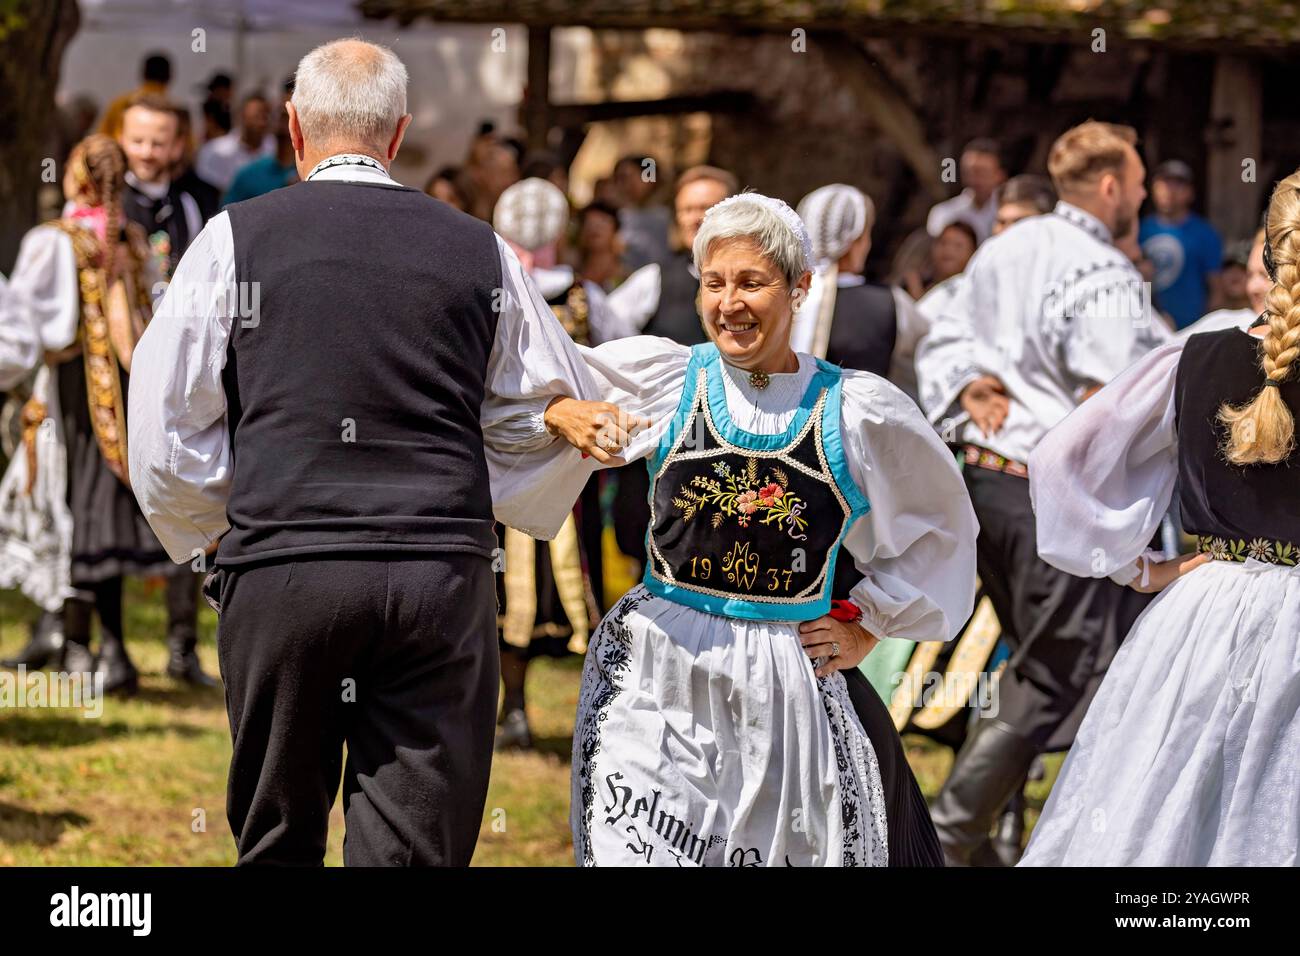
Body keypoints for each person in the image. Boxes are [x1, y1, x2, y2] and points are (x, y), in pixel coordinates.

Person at [127, 39, 597, 867]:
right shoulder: (480, 248)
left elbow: (165, 425)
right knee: (413, 850)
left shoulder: (235, 239)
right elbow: (540, 403)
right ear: (399, 133)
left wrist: (228, 530)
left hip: (286, 571)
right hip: (437, 579)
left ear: (296, 129)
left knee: (277, 840)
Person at [531, 192, 977, 865]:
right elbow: (532, 387)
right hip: (661, 663)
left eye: (751, 282)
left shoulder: (853, 411)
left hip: (783, 677)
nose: (729, 303)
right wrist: (561, 411)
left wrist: (869, 625)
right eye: (714, 282)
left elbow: (939, 529)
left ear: (799, 287)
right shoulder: (668, 378)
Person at [1020, 170, 1300, 866]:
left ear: (1264, 256)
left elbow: (1060, 460)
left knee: (1171, 813)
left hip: (1207, 612)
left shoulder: (1193, 355)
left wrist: (1140, 566)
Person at [915, 120, 1169, 866]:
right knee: (1058, 667)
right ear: (1115, 186)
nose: (1147, 196)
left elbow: (941, 331)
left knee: (1032, 664)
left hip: (982, 482)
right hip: (1041, 492)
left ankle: (998, 839)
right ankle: (948, 834)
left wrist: (968, 383)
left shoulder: (1005, 248)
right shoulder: (1099, 269)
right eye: (1143, 182)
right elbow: (1116, 390)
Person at [0, 135, 170, 691]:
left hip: (75, 394)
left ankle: (85, 648)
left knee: (74, 509)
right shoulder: (133, 239)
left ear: (75, 177)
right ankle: (87, 645)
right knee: (99, 512)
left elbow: (26, 331)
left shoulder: (55, 242)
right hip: (124, 390)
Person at [490, 178, 609, 750]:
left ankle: (594, 715)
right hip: (502, 461)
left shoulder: (585, 295)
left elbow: (611, 368)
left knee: (573, 588)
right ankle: (509, 707)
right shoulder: (498, 290)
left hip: (569, 470)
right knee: (499, 595)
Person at [605, 164, 738, 573]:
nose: (696, 218)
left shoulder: (762, 283)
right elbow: (611, 347)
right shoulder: (653, 280)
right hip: (667, 449)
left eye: (708, 207)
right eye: (686, 209)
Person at [118, 94, 207, 281]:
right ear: (121, 140)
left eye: (158, 144)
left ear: (177, 147)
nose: (146, 152)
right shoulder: (107, 201)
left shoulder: (186, 206)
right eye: (137, 141)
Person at [1139, 159, 1224, 330]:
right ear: (1153, 189)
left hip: (1191, 332)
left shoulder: (1204, 233)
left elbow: (1216, 288)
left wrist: (1208, 332)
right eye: (1164, 183)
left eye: (1178, 184)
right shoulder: (1138, 231)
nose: (1169, 190)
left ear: (1190, 193)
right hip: (1148, 328)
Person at [1178, 231, 1269, 339]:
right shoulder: (1219, 319)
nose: (1252, 287)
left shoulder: (1250, 320)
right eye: (1250, 274)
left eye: (1264, 275)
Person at [222, 84, 299, 205]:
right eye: (280, 112)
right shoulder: (249, 175)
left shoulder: (314, 176)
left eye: (290, 113)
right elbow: (224, 217)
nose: (284, 118)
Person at [927, 138, 1006, 244]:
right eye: (969, 172)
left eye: (982, 172)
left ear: (999, 175)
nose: (975, 179)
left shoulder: (1008, 214)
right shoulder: (943, 213)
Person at [196, 93, 274, 193]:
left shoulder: (275, 150)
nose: (261, 122)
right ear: (241, 116)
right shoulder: (213, 150)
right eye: (256, 116)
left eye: (265, 115)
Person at [613, 154, 671, 272]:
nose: (624, 185)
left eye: (628, 177)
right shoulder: (616, 214)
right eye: (618, 179)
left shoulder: (666, 217)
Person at [98, 53, 171, 140]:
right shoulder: (174, 109)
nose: (146, 151)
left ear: (143, 73)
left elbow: (101, 137)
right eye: (137, 141)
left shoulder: (120, 103)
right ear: (170, 76)